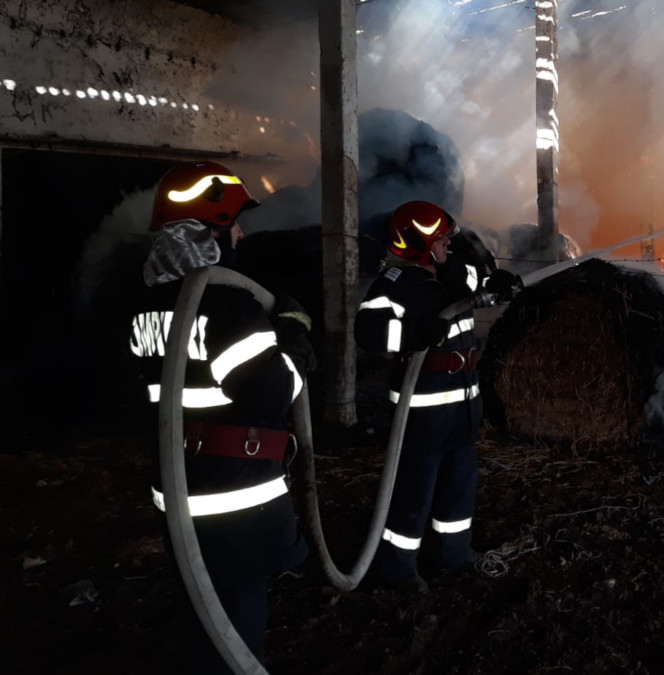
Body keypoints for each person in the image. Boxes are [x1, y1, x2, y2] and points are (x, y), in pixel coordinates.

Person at [128, 160, 314, 673]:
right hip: (237, 496)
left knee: (199, 607)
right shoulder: (229, 306)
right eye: (233, 224)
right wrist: (294, 336)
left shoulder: (146, 305)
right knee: (235, 620)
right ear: (209, 231)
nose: (240, 235)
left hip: (179, 487)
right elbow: (275, 392)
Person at [355, 200, 521, 589]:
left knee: (459, 485)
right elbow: (368, 332)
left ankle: (453, 556)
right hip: (421, 411)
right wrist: (412, 334)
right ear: (419, 244)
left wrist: (499, 282)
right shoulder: (396, 283)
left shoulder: (452, 273)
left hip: (462, 405)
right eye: (441, 240)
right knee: (414, 491)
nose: (448, 244)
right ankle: (398, 570)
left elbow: (481, 282)